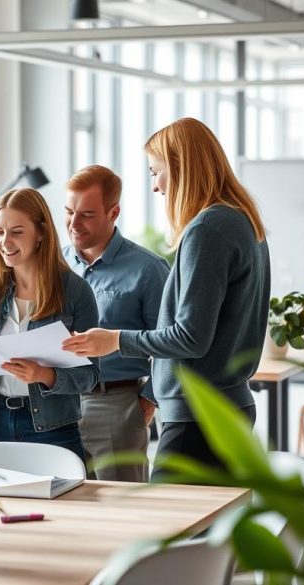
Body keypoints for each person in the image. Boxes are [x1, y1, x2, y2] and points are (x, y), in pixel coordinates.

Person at [63, 118, 270, 482]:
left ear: (181, 167)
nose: (156, 186)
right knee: (208, 533)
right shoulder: (242, 222)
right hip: (223, 406)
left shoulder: (207, 230)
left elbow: (190, 337)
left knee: (168, 531)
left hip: (199, 414)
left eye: (156, 171)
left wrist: (114, 339)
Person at [0, 188, 100, 460]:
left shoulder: (76, 292)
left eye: (17, 232)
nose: (5, 242)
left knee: (55, 503)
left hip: (51, 428)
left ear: (41, 232)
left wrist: (44, 375)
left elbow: (90, 377)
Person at [62, 165, 170, 482]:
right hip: (57, 404)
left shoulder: (148, 270)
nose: (74, 224)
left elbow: (170, 343)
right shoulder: (55, 264)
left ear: (114, 212)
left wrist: (149, 399)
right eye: (69, 212)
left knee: (122, 510)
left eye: (87, 214)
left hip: (116, 407)